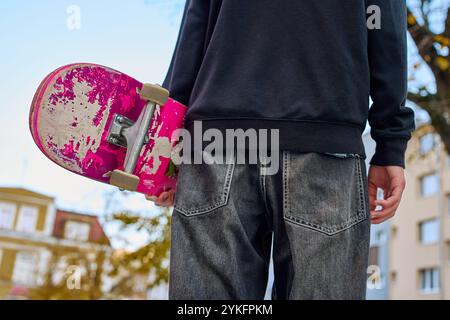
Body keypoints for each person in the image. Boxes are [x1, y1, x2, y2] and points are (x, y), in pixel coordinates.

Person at [150, 0, 415, 299]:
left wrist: (165, 144)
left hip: (217, 142)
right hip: (323, 142)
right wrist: (390, 142)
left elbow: (195, 25)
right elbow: (383, 24)